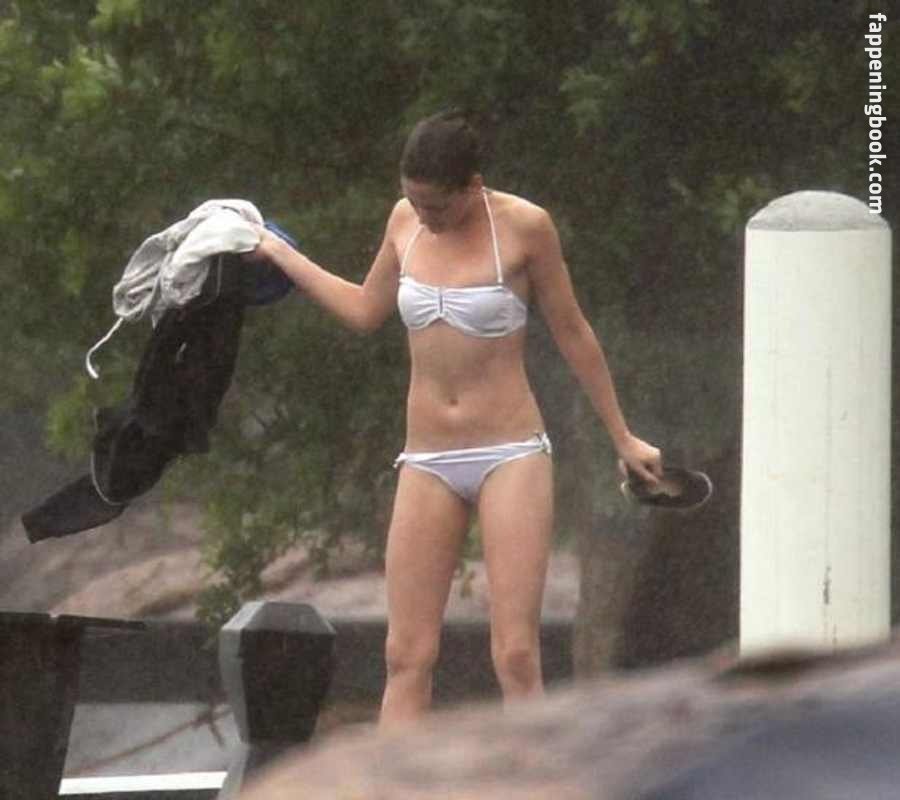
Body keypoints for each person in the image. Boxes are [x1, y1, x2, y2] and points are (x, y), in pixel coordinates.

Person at [246, 110, 662, 728]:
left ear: (473, 186)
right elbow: (363, 311)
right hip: (428, 457)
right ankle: (394, 778)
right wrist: (281, 254)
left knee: (515, 654)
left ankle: (533, 773)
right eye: (415, 203)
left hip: (509, 452)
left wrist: (622, 436)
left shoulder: (525, 227)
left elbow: (573, 332)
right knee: (406, 654)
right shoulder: (404, 222)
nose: (426, 217)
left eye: (437, 206)